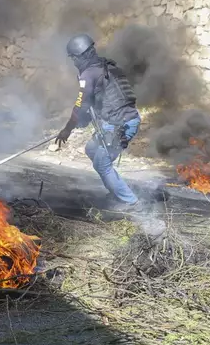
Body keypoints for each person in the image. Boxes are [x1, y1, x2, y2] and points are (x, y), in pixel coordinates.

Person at [54, 33, 144, 211]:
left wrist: (67, 130)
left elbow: (80, 106)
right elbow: (103, 100)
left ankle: (131, 202)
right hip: (119, 122)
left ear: (82, 55)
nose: (73, 62)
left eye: (73, 58)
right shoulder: (105, 67)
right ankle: (116, 191)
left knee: (102, 164)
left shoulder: (89, 74)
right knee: (91, 149)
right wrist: (85, 120)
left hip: (119, 125)